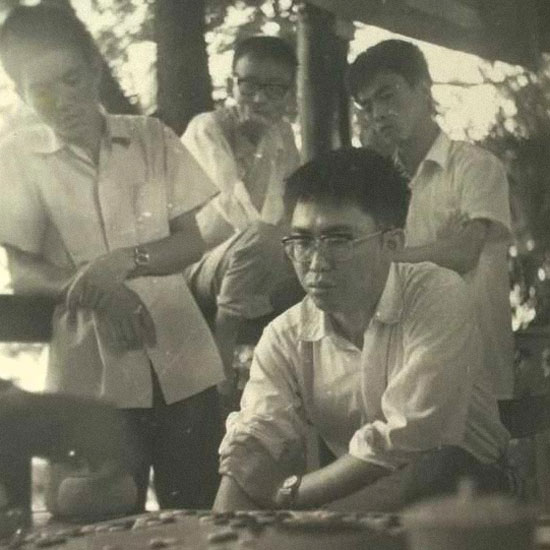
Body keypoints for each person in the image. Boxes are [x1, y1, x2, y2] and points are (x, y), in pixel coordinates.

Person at [0, 5, 225, 513]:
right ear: (20, 93)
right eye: (42, 90)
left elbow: (190, 242)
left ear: (95, 69)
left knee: (199, 512)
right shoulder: (16, 157)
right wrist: (101, 292)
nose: (63, 101)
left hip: (179, 354)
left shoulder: (150, 137)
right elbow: (23, 272)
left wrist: (119, 262)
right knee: (96, 517)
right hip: (91, 378)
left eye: (72, 79)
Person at [213, 148, 510, 513]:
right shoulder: (284, 335)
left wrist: (289, 495)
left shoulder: (438, 294)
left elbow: (413, 439)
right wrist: (221, 530)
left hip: (469, 497)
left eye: (339, 241)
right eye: (302, 242)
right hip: (354, 498)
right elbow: (251, 447)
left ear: (392, 244)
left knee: (435, 467)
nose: (316, 263)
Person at [347, 39, 514, 399]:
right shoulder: (381, 187)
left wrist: (379, 257)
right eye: (367, 106)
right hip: (403, 367)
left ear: (424, 90)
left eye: (387, 95)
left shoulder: (475, 166)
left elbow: (464, 253)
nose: (378, 114)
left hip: (474, 368)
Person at [181, 36, 302, 386]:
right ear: (231, 84)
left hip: (258, 262)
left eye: (274, 89)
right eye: (249, 86)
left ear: (289, 95)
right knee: (264, 236)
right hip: (198, 264)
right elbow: (238, 211)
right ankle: (222, 353)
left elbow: (290, 209)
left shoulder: (283, 135)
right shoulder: (208, 128)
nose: (260, 99)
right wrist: (262, 150)